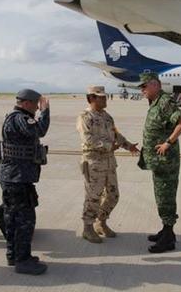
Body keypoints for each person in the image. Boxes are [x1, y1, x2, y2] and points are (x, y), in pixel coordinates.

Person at [76, 86, 138, 243]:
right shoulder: (85, 117)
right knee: (93, 196)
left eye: (104, 96)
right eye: (101, 97)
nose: (105, 99)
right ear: (91, 98)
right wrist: (109, 146)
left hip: (109, 162)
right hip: (94, 162)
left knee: (113, 195)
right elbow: (88, 139)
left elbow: (116, 135)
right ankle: (87, 228)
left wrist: (129, 145)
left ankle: (101, 222)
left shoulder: (107, 117)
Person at [0, 89, 49, 275]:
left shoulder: (15, 117)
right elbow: (40, 130)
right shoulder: (20, 118)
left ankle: (14, 255)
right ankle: (23, 260)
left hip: (13, 176)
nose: (37, 108)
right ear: (26, 103)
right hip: (17, 178)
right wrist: (46, 111)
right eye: (36, 104)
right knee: (24, 220)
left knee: (11, 218)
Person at [139, 73, 181, 253]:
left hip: (166, 162)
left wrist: (168, 142)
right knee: (162, 196)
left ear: (156, 85)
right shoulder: (155, 102)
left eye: (145, 86)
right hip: (159, 163)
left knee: (166, 197)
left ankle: (168, 238)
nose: (142, 90)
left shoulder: (164, 101)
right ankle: (166, 230)